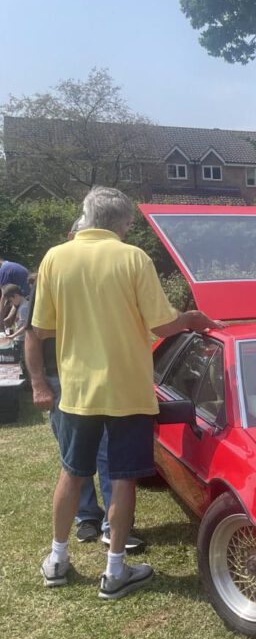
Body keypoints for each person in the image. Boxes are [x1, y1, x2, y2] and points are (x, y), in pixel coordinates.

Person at [31, 186, 223, 600]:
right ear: (124, 224)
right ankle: (115, 571)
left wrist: (42, 380)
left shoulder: (55, 257)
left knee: (72, 471)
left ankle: (58, 560)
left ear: (85, 216)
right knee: (122, 479)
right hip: (129, 391)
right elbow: (163, 326)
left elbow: (41, 329)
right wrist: (190, 318)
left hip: (78, 390)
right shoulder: (133, 257)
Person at [25, 223, 143, 550]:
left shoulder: (104, 272)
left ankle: (111, 526)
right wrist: (38, 384)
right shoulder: (54, 270)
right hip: (61, 379)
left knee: (106, 452)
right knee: (74, 459)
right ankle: (86, 517)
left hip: (98, 379)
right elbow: (32, 335)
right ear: (71, 235)